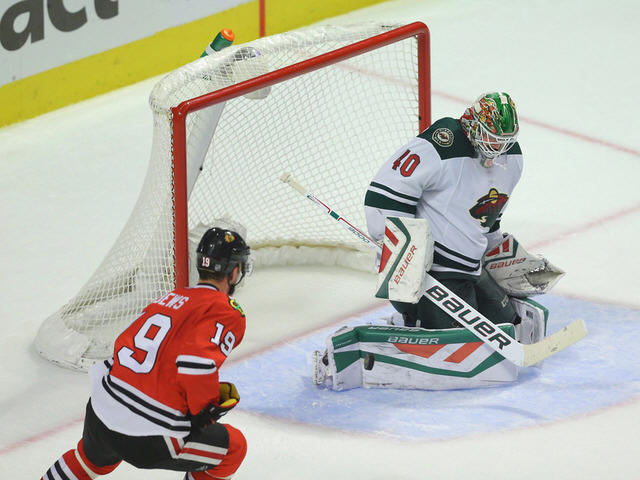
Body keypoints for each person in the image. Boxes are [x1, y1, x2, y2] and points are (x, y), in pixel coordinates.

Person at [40, 227, 253, 480]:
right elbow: (196, 365)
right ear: (235, 272)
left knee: (88, 461)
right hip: (150, 438)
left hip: (101, 410)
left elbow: (131, 347)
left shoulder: (170, 298)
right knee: (234, 448)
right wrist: (204, 409)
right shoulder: (226, 310)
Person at [364, 91, 522, 330]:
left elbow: (491, 215)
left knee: (509, 324)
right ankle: (413, 320)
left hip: (471, 267)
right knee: (465, 335)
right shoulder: (443, 144)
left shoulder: (512, 158)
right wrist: (402, 250)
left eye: (504, 140)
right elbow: (385, 195)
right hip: (433, 271)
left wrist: (495, 248)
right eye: (491, 137)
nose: (499, 146)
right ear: (473, 124)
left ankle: (419, 320)